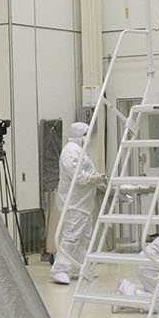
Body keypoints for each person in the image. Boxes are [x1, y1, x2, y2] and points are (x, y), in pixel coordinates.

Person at [51, 121, 103, 285]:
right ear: (79, 135)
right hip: (73, 203)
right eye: (86, 134)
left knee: (84, 237)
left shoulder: (80, 151)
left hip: (83, 202)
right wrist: (96, 178)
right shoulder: (70, 151)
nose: (88, 138)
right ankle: (60, 269)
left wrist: (97, 177)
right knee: (72, 236)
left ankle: (78, 267)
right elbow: (78, 177)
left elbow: (86, 172)